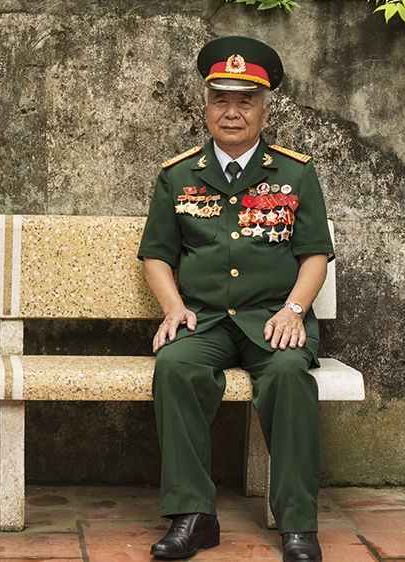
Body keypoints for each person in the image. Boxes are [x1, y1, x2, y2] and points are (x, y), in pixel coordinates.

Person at [137, 36, 334, 562]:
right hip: (205, 321)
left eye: (245, 101)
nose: (232, 112)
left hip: (274, 319)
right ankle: (193, 516)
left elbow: (316, 253)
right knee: (175, 366)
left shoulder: (294, 173)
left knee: (290, 377)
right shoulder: (177, 175)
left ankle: (298, 525)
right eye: (221, 99)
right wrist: (174, 308)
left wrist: (294, 310)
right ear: (205, 107)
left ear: (265, 110)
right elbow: (157, 254)